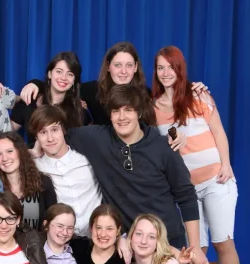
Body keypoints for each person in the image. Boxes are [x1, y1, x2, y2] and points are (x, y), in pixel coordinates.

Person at [47, 84, 210, 264]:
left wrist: (195, 248)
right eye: (116, 111)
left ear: (139, 112)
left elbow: (187, 197)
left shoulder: (162, 147)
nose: (121, 117)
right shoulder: (97, 139)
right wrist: (36, 148)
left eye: (128, 110)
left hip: (168, 242)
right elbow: (56, 134)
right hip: (130, 248)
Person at [153, 45, 239, 264]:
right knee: (195, 249)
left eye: (171, 67)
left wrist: (226, 164)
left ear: (180, 69)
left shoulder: (198, 96)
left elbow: (219, 132)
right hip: (185, 190)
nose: (166, 73)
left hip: (215, 180)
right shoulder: (153, 108)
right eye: (160, 68)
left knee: (223, 242)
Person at [20, 41, 206, 129]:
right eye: (118, 65)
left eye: (128, 65)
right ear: (108, 67)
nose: (123, 71)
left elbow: (169, 99)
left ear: (135, 68)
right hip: (103, 162)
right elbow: (64, 85)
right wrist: (36, 84)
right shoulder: (92, 90)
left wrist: (192, 88)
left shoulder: (146, 94)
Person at [29, 105, 102, 237]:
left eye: (54, 130)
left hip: (98, 236)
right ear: (36, 137)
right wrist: (31, 153)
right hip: (64, 239)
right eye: (43, 132)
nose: (50, 138)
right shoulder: (35, 167)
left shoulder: (86, 157)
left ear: (63, 129)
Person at [11, 52, 92, 144]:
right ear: (49, 74)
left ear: (74, 80)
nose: (63, 78)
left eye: (70, 74)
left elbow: (88, 142)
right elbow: (7, 131)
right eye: (59, 71)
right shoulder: (29, 101)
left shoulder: (79, 111)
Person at [0, 131, 57, 230]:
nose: (4, 158)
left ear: (20, 152)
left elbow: (53, 221)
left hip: (38, 239)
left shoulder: (43, 183)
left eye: (9, 151)